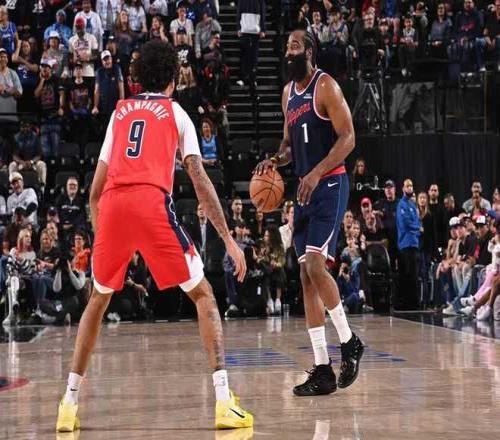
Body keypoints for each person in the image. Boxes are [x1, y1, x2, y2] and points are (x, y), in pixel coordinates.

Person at [56, 40, 253, 432]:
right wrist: (229, 240)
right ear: (173, 80)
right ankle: (222, 401)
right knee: (204, 295)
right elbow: (199, 180)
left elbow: (94, 193)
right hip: (150, 202)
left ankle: (68, 403)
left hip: (113, 206)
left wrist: (105, 237)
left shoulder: (120, 112)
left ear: (138, 78)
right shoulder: (176, 112)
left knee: (98, 299)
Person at [255, 30, 364, 397]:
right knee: (304, 275)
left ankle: (349, 341)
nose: (289, 51)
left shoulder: (326, 86)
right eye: (286, 46)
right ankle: (322, 370)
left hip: (329, 184)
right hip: (305, 188)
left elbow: (348, 138)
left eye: (295, 46)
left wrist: (317, 172)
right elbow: (288, 146)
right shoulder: (288, 93)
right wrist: (274, 161)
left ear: (310, 52)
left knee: (316, 265)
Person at [396, 179, 421, 310]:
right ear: (403, 188)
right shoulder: (401, 204)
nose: (410, 188)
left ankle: (414, 303)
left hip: (414, 244)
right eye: (407, 186)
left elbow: (417, 221)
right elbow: (405, 223)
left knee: (414, 274)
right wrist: (417, 228)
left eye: (411, 185)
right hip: (405, 244)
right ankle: (407, 303)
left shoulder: (412, 205)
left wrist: (416, 228)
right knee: (407, 274)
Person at [34, 58, 64, 159]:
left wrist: (61, 107)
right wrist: (42, 81)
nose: (44, 69)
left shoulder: (56, 79)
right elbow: (36, 94)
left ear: (50, 69)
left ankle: (56, 167)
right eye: (42, 67)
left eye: (46, 67)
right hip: (43, 118)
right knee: (45, 151)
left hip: (55, 117)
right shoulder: (38, 80)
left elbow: (61, 94)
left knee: (56, 148)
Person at [92, 50, 125, 136]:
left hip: (115, 103)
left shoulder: (117, 69)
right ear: (102, 61)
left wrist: (122, 103)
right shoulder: (99, 72)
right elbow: (97, 90)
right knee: (105, 128)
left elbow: (121, 87)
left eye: (108, 59)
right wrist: (95, 106)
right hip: (104, 104)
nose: (107, 61)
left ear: (111, 59)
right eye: (104, 60)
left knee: (116, 127)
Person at [236, 0, 266, 87]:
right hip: (245, 29)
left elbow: (262, 12)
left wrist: (263, 29)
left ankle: (252, 78)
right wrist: (238, 28)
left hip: (255, 30)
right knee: (244, 55)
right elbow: (239, 12)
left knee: (253, 56)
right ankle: (243, 77)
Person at [9, 120, 47, 188]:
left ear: (30, 127)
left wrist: (31, 162)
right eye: (23, 127)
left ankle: (42, 187)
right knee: (12, 165)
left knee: (42, 164)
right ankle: (12, 187)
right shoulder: (16, 138)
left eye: (27, 127)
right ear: (20, 128)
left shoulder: (35, 137)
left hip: (33, 163)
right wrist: (22, 162)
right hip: (21, 163)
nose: (25, 129)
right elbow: (14, 155)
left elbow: (39, 155)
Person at [67, 62, 93, 148]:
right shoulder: (70, 86)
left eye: (80, 69)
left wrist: (87, 110)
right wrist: (73, 111)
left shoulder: (88, 85)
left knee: (85, 138)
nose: (78, 71)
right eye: (76, 69)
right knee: (75, 138)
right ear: (74, 71)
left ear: (82, 71)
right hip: (74, 117)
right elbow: (69, 101)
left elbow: (90, 100)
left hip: (85, 116)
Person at [68, 17, 99, 83]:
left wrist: (88, 58)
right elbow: (69, 58)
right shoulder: (71, 40)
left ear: (84, 27)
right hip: (77, 73)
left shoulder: (91, 38)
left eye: (80, 27)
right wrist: (74, 59)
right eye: (77, 27)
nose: (79, 30)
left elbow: (96, 56)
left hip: (88, 72)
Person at [12, 39, 39, 113]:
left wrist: (23, 61)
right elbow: (14, 59)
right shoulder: (17, 58)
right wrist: (18, 45)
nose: (25, 48)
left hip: (32, 91)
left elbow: (35, 69)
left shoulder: (34, 57)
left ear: (30, 47)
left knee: (32, 115)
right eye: (23, 46)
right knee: (21, 114)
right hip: (20, 92)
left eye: (27, 46)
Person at [0, 47, 22, 135]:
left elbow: (19, 93)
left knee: (12, 142)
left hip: (12, 117)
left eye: (5, 57)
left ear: (7, 59)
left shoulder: (13, 73)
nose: (3, 59)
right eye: (1, 57)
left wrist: (8, 89)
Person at [483, 0, 500, 72]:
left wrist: (496, 38)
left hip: (497, 39)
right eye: (497, 5)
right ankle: (481, 66)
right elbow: (485, 32)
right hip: (490, 39)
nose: (499, 7)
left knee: (498, 41)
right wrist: (488, 41)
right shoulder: (491, 16)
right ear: (495, 6)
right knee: (479, 42)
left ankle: (497, 64)